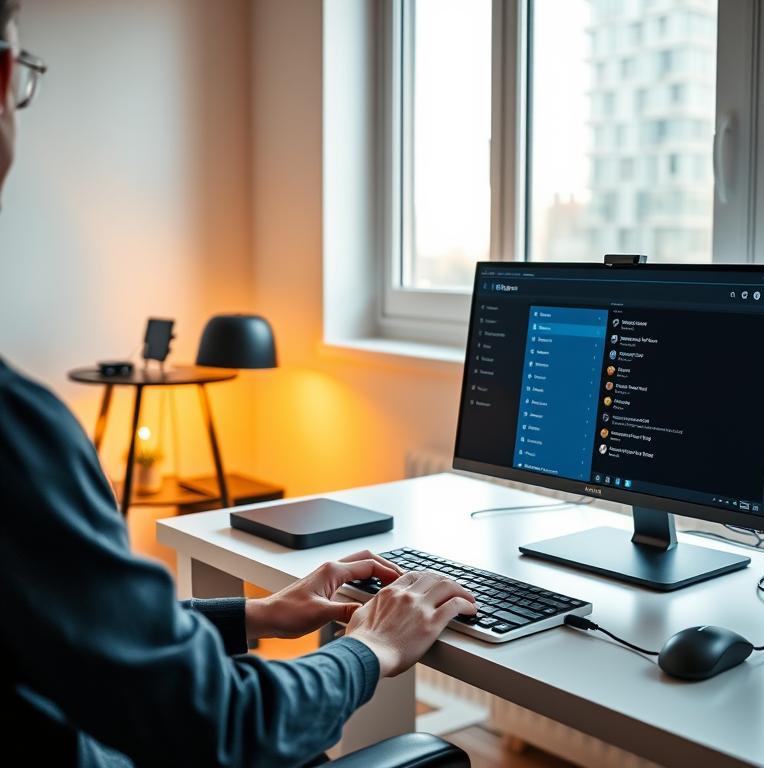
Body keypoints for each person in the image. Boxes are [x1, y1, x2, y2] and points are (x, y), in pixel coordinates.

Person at [0, 4, 476, 765]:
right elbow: (228, 727)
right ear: (3, 79)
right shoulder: (16, 436)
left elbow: (81, 631)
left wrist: (257, 615)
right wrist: (370, 648)